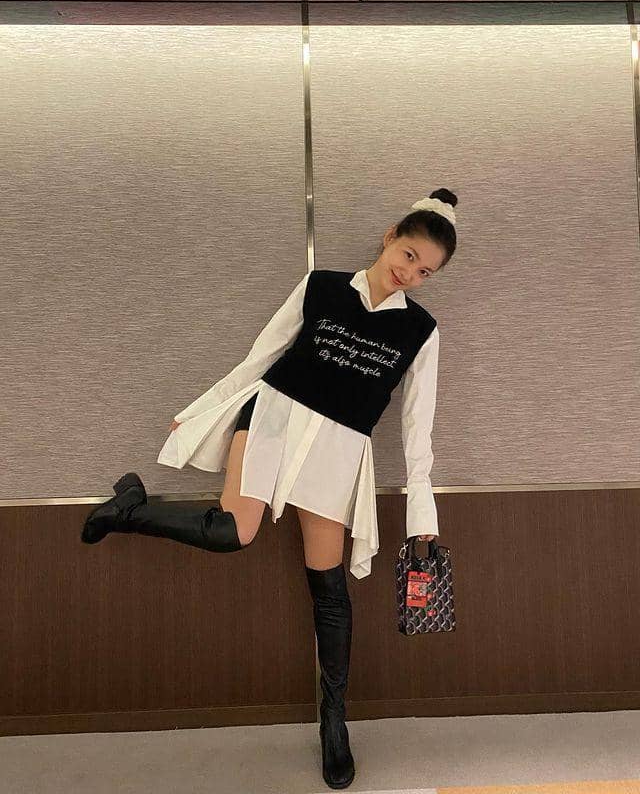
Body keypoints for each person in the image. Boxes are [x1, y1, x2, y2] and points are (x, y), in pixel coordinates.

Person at [81, 187, 458, 790]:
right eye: (408, 255)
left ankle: (334, 723)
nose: (410, 273)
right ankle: (129, 510)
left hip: (338, 452)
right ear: (391, 237)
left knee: (329, 588)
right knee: (232, 532)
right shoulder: (321, 287)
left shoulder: (422, 331)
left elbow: (419, 430)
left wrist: (422, 515)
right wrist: (201, 410)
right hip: (274, 419)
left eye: (425, 271)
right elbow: (261, 356)